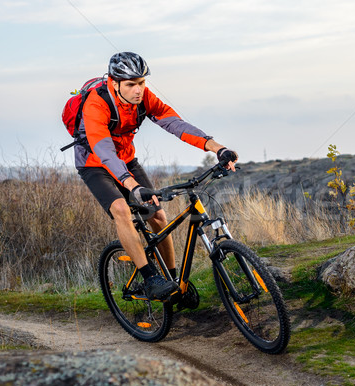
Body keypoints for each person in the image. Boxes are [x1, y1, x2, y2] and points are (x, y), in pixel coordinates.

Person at [75, 52, 238, 300]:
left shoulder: (143, 98)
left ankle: (173, 284)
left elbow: (175, 124)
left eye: (141, 83)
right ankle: (150, 278)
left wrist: (217, 148)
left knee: (158, 215)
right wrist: (132, 186)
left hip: (126, 159)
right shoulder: (96, 104)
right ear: (114, 82)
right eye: (131, 85)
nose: (138, 90)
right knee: (121, 209)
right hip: (95, 163)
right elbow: (105, 153)